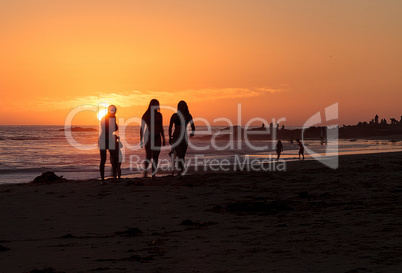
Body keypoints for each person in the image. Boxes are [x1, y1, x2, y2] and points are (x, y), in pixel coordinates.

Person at [140, 99, 166, 179]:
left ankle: (153, 175)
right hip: (149, 137)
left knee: (156, 157)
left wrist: (163, 138)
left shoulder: (159, 115)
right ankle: (145, 173)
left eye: (157, 104)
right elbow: (142, 128)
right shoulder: (146, 115)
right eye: (154, 104)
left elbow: (161, 127)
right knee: (148, 156)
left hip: (157, 137)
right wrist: (141, 139)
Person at [169, 101, 195, 177]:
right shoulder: (174, 116)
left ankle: (180, 171)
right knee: (179, 155)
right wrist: (170, 137)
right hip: (176, 137)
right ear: (178, 107)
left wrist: (192, 132)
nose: (181, 107)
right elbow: (170, 127)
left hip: (184, 137)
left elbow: (193, 126)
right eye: (180, 105)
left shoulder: (189, 116)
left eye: (183, 105)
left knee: (182, 156)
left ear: (186, 106)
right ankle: (181, 171)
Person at [99, 105, 119, 184]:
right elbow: (111, 128)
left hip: (109, 139)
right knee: (103, 160)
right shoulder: (104, 118)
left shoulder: (113, 117)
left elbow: (114, 128)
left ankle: (114, 177)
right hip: (104, 140)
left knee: (114, 159)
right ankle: (103, 179)